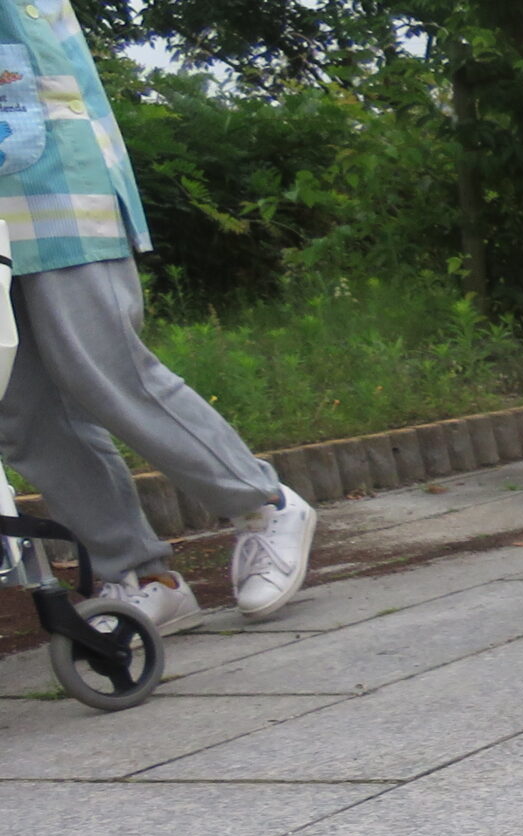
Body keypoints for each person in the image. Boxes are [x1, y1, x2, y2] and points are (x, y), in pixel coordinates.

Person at [0, 0, 315, 634]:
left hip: (51, 180)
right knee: (21, 407)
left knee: (102, 367)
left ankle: (264, 504)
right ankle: (142, 576)